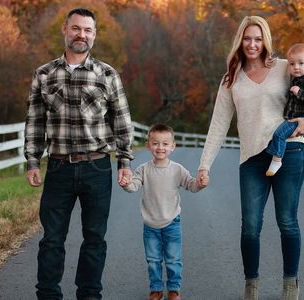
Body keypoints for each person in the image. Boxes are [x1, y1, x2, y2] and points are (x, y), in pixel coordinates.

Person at [196, 16, 304, 300]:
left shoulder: (283, 68)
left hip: (289, 152)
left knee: (287, 221)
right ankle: (251, 285)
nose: (252, 44)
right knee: (250, 226)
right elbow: (218, 125)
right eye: (247, 38)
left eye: (258, 38)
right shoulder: (231, 79)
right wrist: (204, 165)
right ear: (240, 41)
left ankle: (290, 285)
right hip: (252, 160)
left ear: (265, 40)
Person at [24, 8, 133, 300]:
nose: (81, 35)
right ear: (65, 29)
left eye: (87, 30)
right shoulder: (44, 74)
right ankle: (48, 295)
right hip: (58, 168)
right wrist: (32, 160)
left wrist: (124, 161)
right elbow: (35, 122)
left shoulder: (107, 75)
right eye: (76, 28)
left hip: (97, 168)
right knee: (51, 240)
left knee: (95, 239)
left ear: (94, 35)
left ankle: (89, 295)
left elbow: (121, 122)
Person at [119, 124, 208, 300]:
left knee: (173, 259)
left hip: (172, 222)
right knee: (153, 260)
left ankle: (174, 289)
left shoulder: (177, 169)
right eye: (156, 143)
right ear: (148, 145)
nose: (160, 147)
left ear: (172, 146)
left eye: (165, 144)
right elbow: (134, 186)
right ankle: (156, 289)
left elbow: (191, 184)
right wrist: (126, 184)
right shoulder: (143, 169)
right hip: (150, 225)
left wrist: (200, 183)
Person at [265, 43, 304, 176]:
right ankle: (275, 154)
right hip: (293, 116)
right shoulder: (300, 78)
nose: (296, 67)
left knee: (279, 135)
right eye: (292, 64)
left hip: (298, 118)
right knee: (278, 135)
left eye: (301, 63)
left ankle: (277, 160)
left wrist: (299, 92)